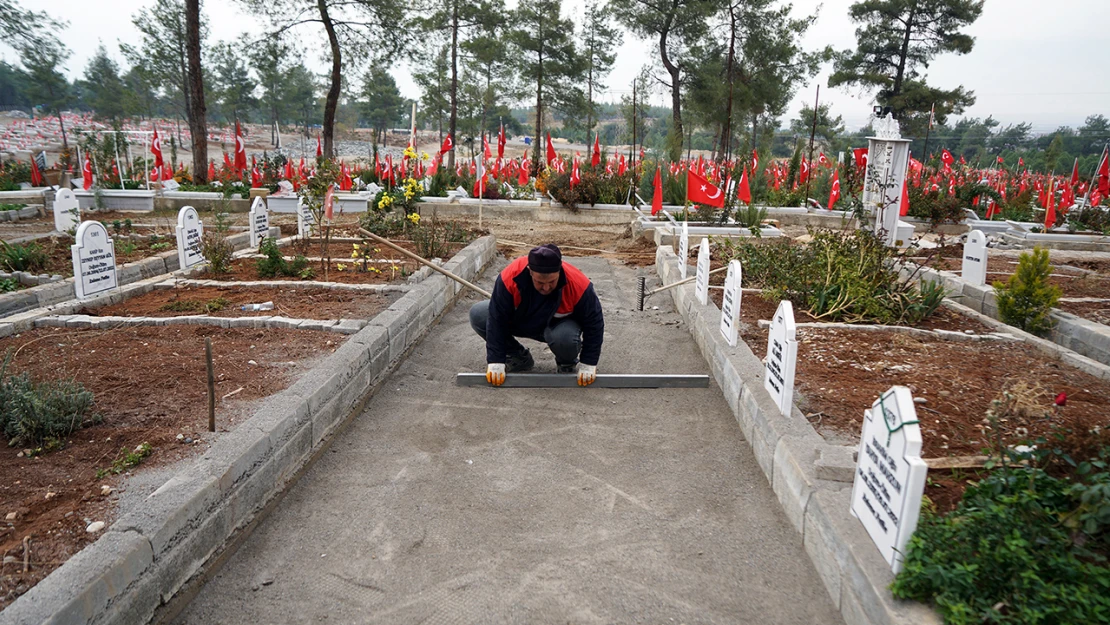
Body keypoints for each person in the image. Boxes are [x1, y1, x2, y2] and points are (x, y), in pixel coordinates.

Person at [469, 244, 604, 387]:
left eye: (551, 282)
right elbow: (497, 318)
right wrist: (495, 360)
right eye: (540, 282)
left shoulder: (578, 284)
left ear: (559, 271)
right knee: (479, 314)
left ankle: (566, 363)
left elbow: (594, 323)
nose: (546, 287)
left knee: (565, 338)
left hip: (558, 326)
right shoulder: (510, 278)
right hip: (523, 320)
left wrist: (588, 362)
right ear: (530, 272)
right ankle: (518, 357)